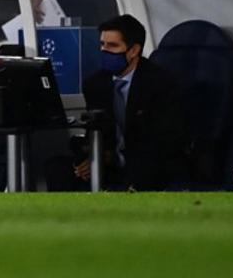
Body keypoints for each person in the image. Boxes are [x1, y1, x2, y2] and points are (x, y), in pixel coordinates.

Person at [71, 14, 189, 190]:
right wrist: (93, 158)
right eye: (102, 44)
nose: (105, 50)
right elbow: (96, 130)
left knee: (142, 173)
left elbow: (165, 139)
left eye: (113, 46)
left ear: (134, 50)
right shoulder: (95, 84)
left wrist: (114, 156)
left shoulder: (160, 83)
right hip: (110, 163)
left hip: (148, 163)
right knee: (58, 168)